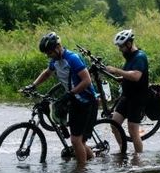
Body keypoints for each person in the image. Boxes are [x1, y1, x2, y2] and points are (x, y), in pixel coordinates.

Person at [24, 32, 99, 165]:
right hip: (75, 100)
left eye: (49, 52)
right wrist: (33, 85)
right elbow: (47, 73)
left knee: (76, 141)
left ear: (58, 47)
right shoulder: (55, 60)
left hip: (87, 101)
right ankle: (91, 163)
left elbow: (87, 81)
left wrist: (70, 93)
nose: (48, 56)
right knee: (79, 141)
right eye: (46, 53)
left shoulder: (72, 59)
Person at [102, 29, 149, 154]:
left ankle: (138, 159)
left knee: (133, 131)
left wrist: (117, 70)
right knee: (114, 124)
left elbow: (136, 76)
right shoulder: (129, 57)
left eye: (121, 46)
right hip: (126, 96)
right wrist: (121, 78)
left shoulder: (140, 56)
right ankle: (123, 150)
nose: (119, 49)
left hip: (137, 98)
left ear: (129, 44)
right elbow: (129, 74)